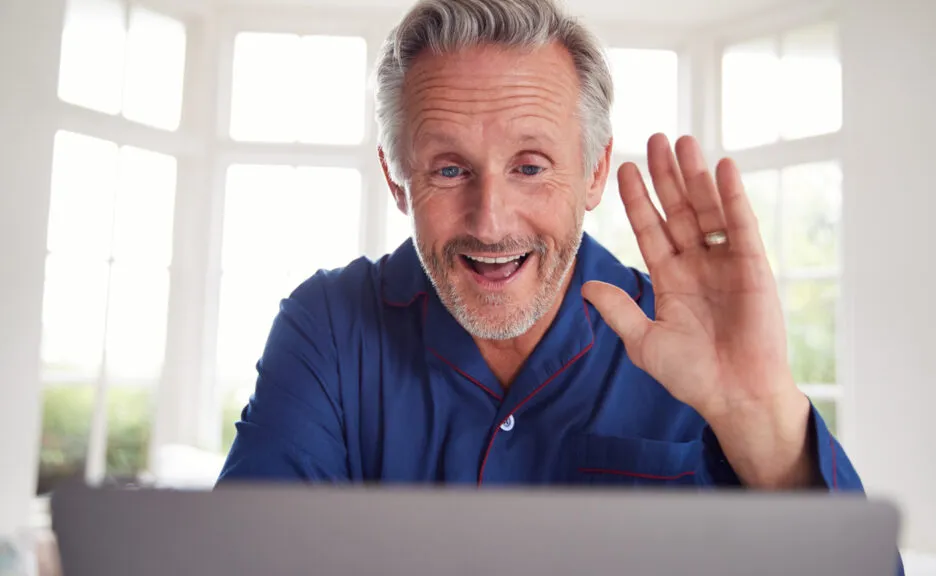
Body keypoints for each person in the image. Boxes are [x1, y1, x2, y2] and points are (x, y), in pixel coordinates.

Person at [219, 0, 856, 491]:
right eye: (448, 169)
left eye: (529, 166)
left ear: (594, 172)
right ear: (396, 179)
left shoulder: (688, 334)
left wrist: (763, 419)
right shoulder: (328, 326)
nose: (491, 223)